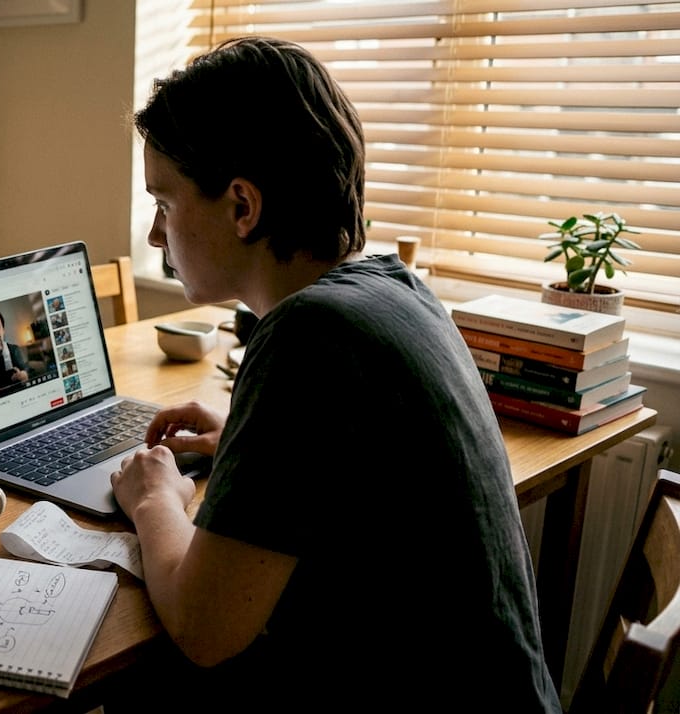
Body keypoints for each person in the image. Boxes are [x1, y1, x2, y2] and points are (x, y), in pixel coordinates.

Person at [109, 36, 561, 711]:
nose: (154, 234)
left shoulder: (308, 338)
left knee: (150, 681)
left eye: (165, 203)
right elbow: (361, 469)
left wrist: (152, 500)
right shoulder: (393, 286)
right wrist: (245, 437)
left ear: (242, 207)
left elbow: (204, 629)